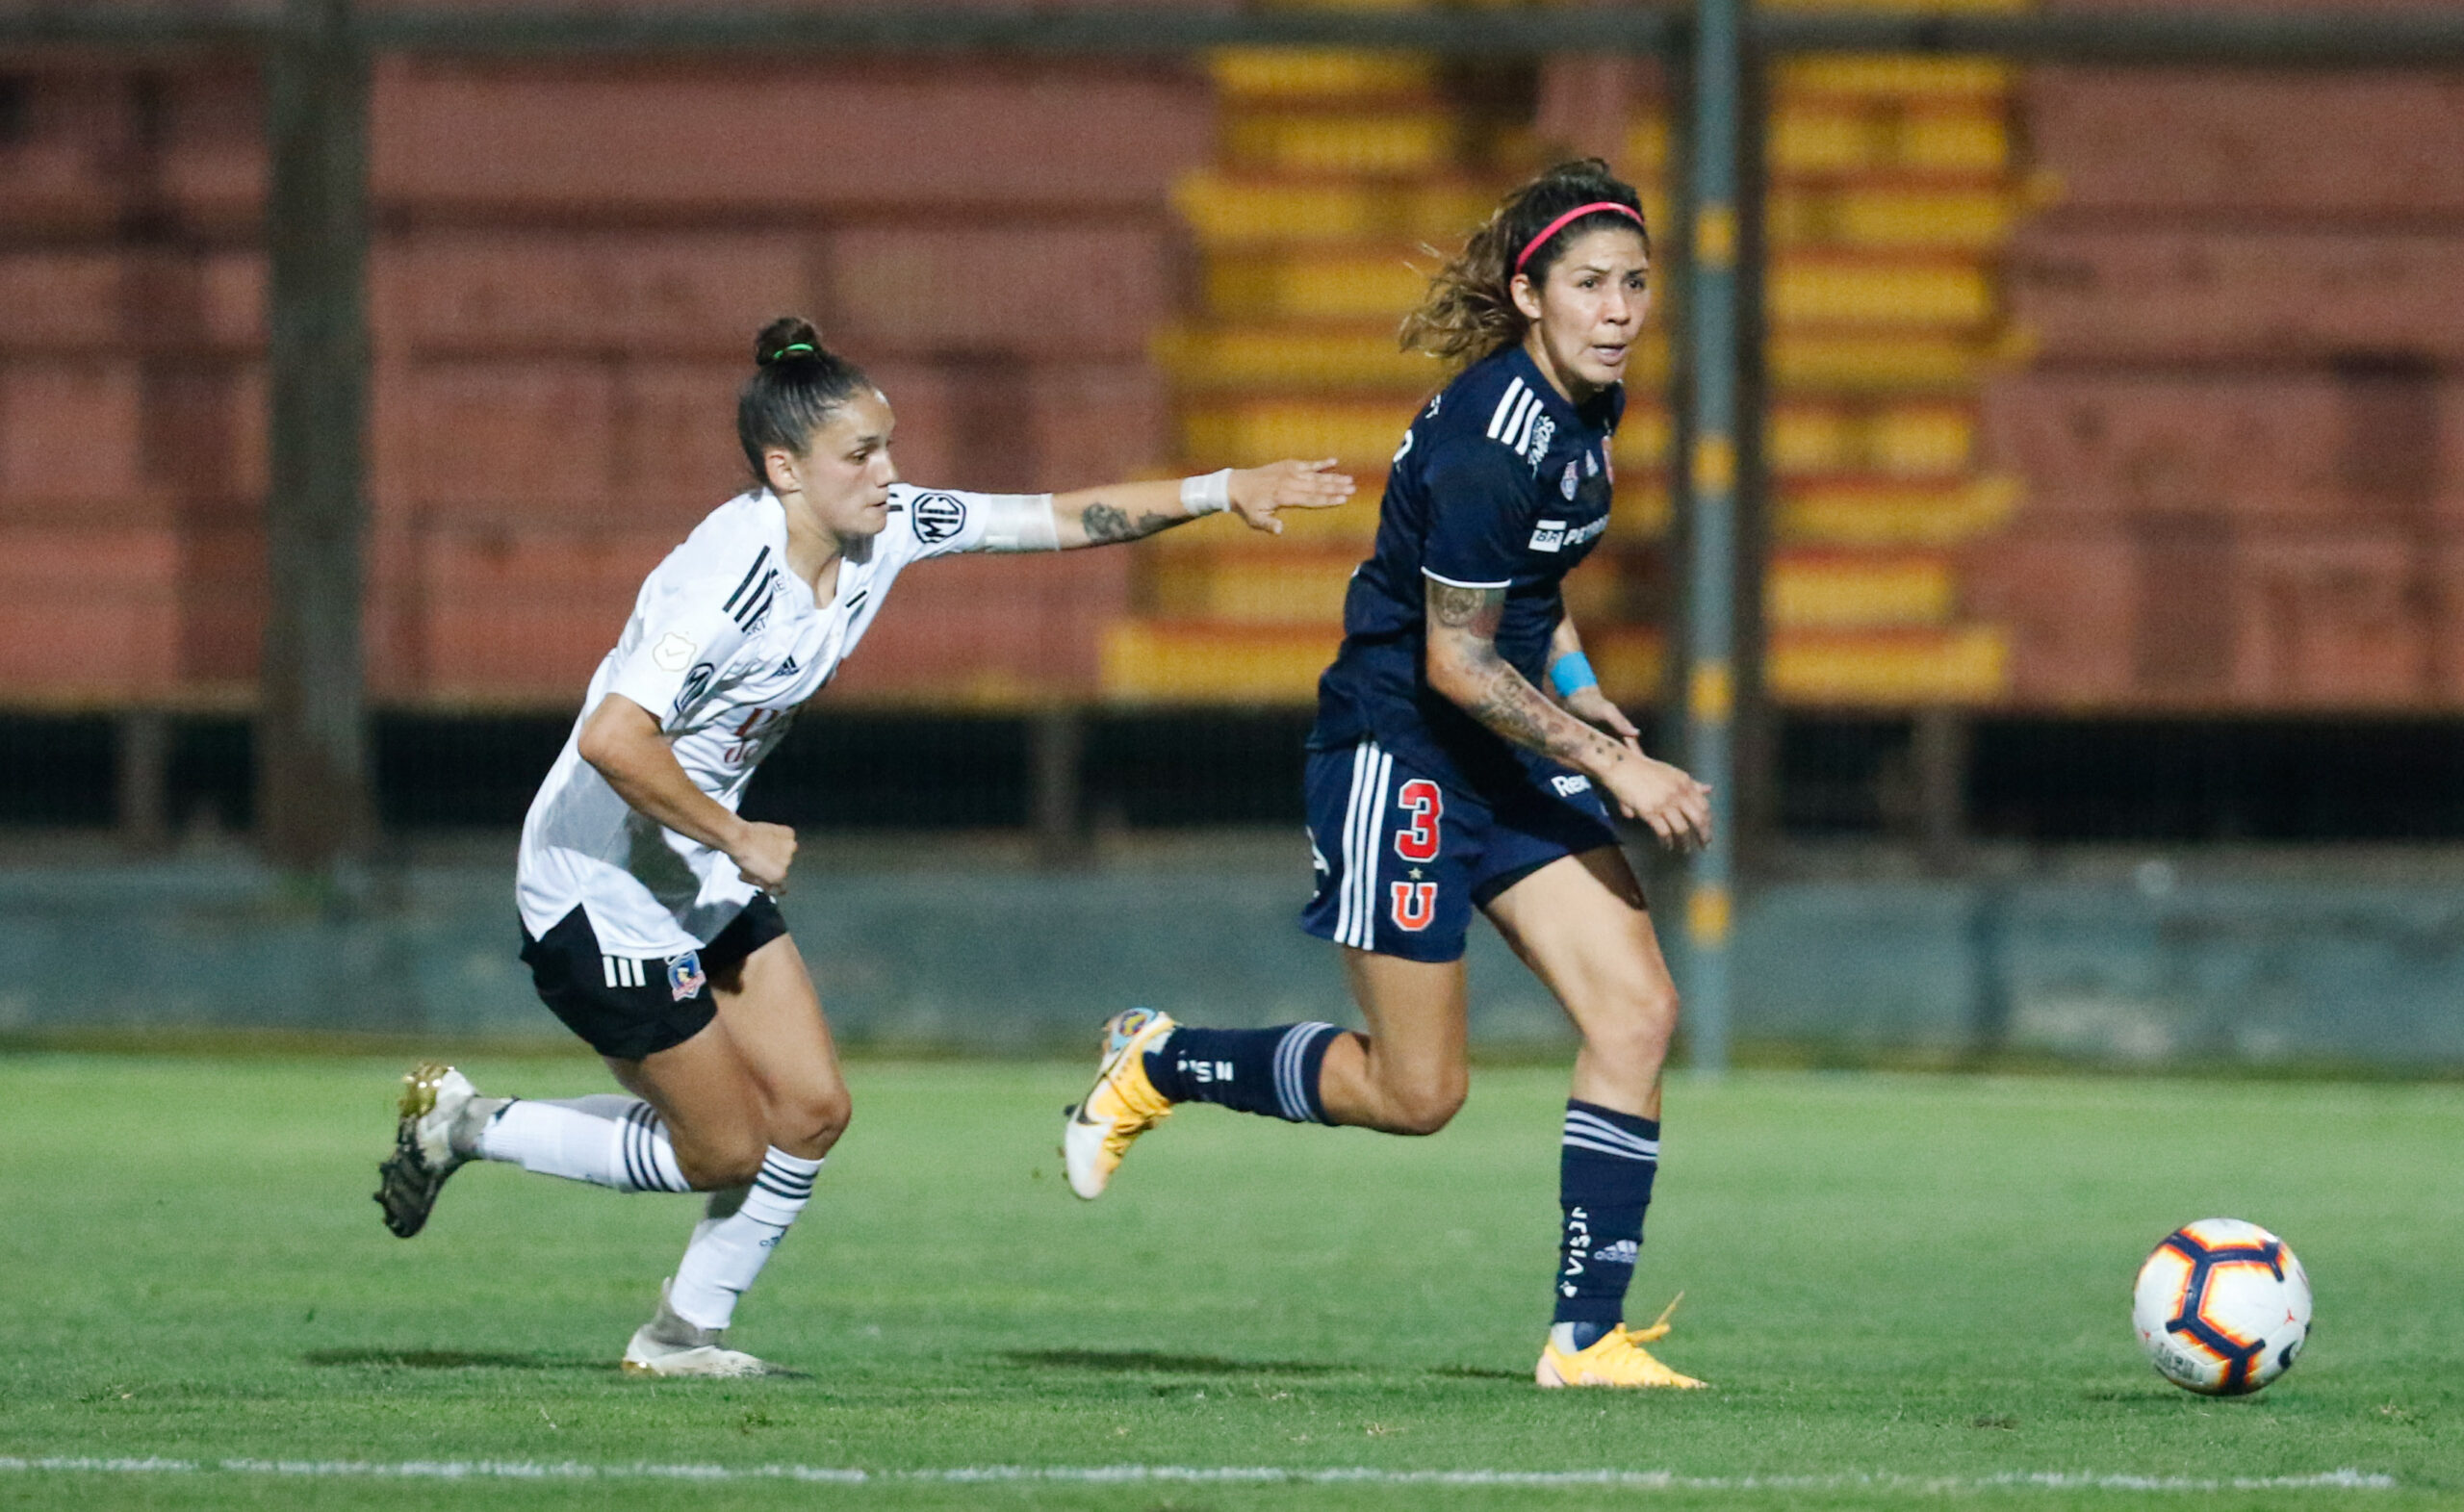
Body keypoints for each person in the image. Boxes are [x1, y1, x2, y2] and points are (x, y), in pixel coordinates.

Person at [375, 316, 1351, 1377]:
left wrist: (1220, 489)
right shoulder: (720, 578)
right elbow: (615, 739)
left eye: (889, 445)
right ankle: (466, 1126)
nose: (890, 472)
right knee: (723, 1149)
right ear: (783, 469)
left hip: (694, 869)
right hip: (596, 887)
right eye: (862, 454)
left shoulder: (886, 529)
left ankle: (680, 1338)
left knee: (814, 1111)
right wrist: (734, 831)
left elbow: (1061, 516)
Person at [1062, 160, 1715, 1389]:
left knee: (1637, 1013)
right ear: (1531, 295)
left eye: (1634, 282)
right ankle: (1160, 1061)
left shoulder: (1588, 408)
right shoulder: (1489, 442)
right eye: (1589, 285)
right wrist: (1610, 765)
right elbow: (1458, 662)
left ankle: (1587, 1340)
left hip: (1507, 748)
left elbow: (1533, 583)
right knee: (1418, 1095)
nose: (1620, 308)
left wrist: (1576, 694)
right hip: (1401, 754)